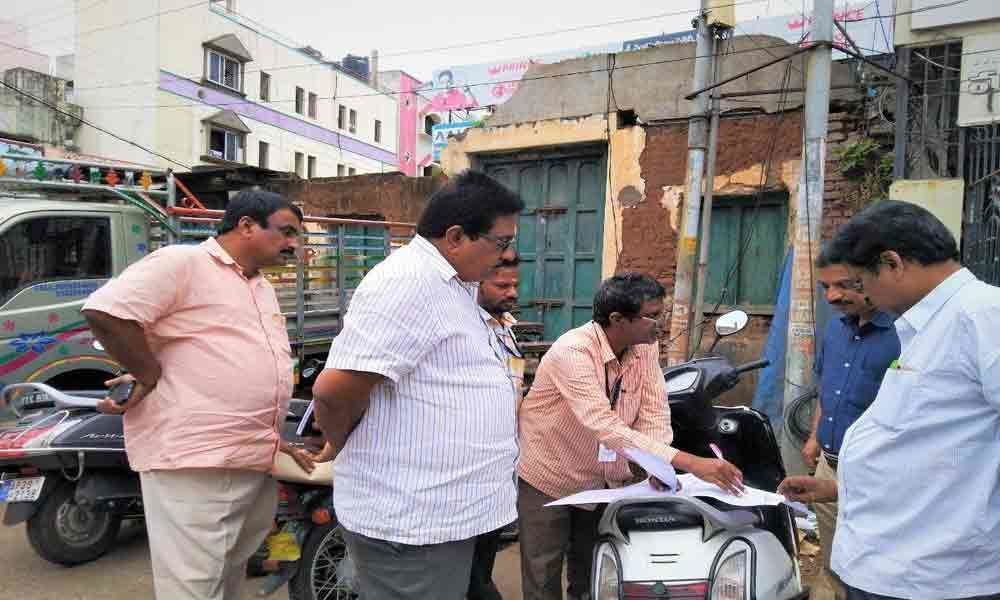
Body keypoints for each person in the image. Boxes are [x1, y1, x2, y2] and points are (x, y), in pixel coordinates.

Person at [82, 190, 316, 600]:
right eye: (286, 232)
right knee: (193, 587)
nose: (293, 244)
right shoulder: (184, 262)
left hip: (250, 456)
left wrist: (278, 441)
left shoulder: (258, 285)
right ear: (246, 226)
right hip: (195, 461)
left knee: (226, 578)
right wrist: (147, 373)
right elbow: (108, 312)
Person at [310, 170, 523, 600]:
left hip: (450, 513)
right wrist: (338, 442)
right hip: (414, 522)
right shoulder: (408, 282)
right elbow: (334, 391)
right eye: (499, 243)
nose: (505, 255)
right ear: (456, 236)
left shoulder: (453, 283)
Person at [780, 200, 1000, 600]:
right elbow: (933, 448)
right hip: (891, 565)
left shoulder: (983, 316)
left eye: (862, 281)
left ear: (893, 263)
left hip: (938, 577)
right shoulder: (927, 325)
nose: (865, 295)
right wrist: (841, 490)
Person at [516, 272, 744, 600]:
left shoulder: (643, 347)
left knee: (593, 570)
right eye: (654, 316)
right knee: (543, 574)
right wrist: (689, 462)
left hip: (601, 483)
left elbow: (654, 410)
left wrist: (658, 466)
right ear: (617, 319)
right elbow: (605, 426)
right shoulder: (573, 352)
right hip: (549, 476)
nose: (662, 324)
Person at [802, 253, 900, 600]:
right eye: (825, 287)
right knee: (833, 560)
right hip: (830, 467)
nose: (832, 297)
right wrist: (815, 437)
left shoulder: (905, 334)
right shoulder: (835, 328)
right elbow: (827, 389)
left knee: (875, 567)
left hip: (880, 475)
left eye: (844, 285)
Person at [466, 255, 523, 600]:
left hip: (497, 476)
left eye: (515, 285)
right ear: (476, 287)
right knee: (472, 580)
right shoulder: (467, 330)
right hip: (468, 475)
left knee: (483, 563)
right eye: (502, 286)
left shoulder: (505, 326)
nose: (512, 293)